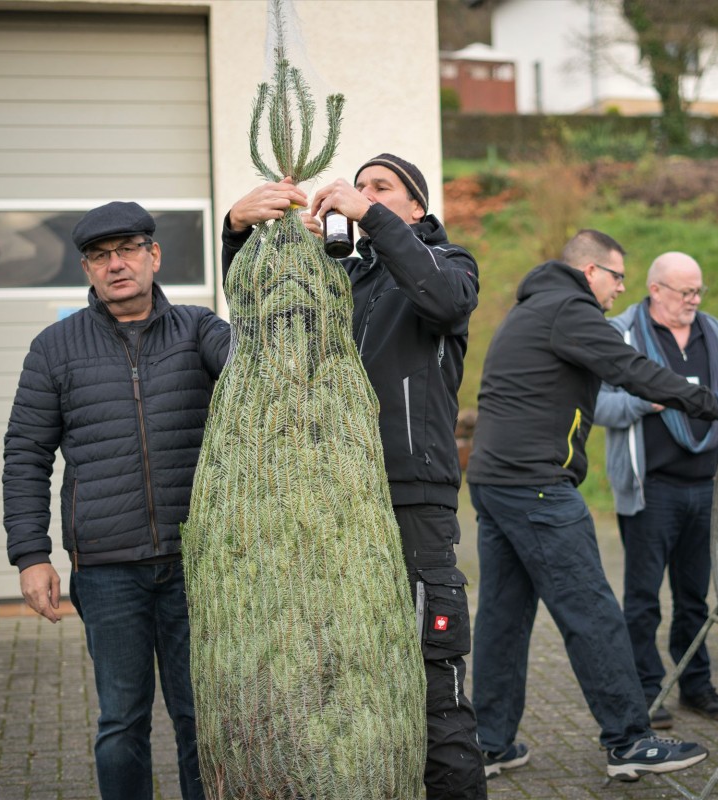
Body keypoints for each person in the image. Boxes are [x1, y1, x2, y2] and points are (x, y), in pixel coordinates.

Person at [222, 154, 487, 800]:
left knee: (435, 685)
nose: (361, 195)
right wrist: (237, 228)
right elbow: (259, 314)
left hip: (411, 502)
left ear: (416, 209)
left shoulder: (449, 267)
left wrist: (366, 215)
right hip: (338, 501)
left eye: (381, 187)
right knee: (350, 681)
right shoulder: (348, 278)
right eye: (358, 186)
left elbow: (444, 300)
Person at [465, 230, 718, 782]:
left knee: (502, 619)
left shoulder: (529, 309)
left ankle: (490, 742)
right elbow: (635, 370)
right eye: (617, 278)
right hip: (535, 486)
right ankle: (629, 739)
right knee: (593, 611)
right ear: (590, 273)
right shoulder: (570, 308)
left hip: (494, 482)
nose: (620, 290)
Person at [3, 201, 234, 800]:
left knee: (200, 720)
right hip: (108, 571)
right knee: (121, 722)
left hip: (196, 565)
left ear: (154, 256)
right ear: (87, 270)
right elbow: (26, 453)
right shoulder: (54, 348)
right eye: (101, 257)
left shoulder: (199, 329)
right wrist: (31, 555)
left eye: (128, 250)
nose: (116, 265)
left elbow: (253, 365)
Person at [592, 252, 718, 727]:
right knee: (643, 600)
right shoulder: (622, 334)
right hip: (650, 489)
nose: (694, 300)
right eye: (685, 292)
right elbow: (598, 406)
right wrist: (644, 402)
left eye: (699, 291)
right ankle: (645, 691)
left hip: (705, 485)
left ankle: (696, 686)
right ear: (655, 290)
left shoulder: (713, 332)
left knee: (694, 597)